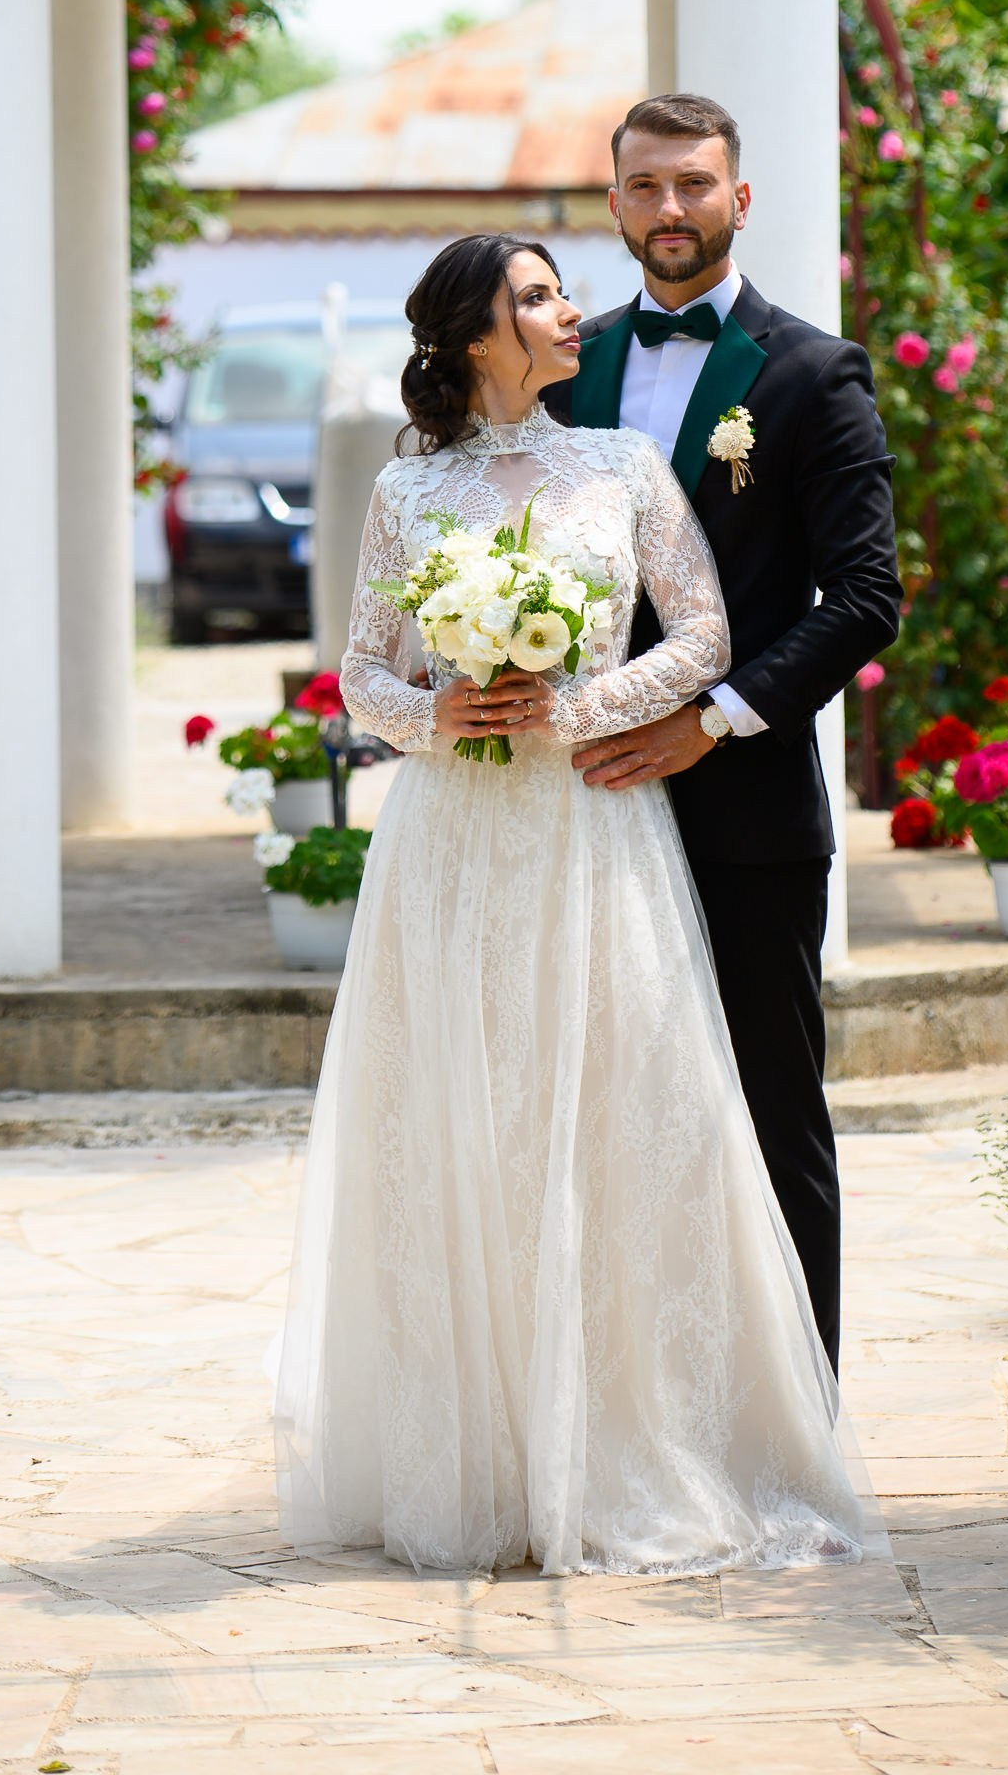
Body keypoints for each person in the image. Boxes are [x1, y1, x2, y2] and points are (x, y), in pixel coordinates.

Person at [274, 230, 866, 1579]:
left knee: (608, 1119)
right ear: (477, 335)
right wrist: (443, 710)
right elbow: (362, 673)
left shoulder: (621, 467)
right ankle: (475, 1459)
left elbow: (705, 635)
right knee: (463, 1122)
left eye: (556, 289)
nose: (567, 309)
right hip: (450, 847)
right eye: (535, 297)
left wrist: (576, 709)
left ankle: (620, 1442)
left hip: (596, 830)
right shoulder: (409, 490)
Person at [546, 93, 903, 1367]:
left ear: (738, 199)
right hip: (574, 804)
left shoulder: (811, 373)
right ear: (615, 206)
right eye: (646, 188)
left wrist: (715, 723)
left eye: (695, 185)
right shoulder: (558, 364)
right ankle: (624, 1405)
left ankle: (798, 1415)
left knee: (767, 1114)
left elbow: (866, 601)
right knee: (596, 1116)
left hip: (743, 812)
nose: (671, 210)